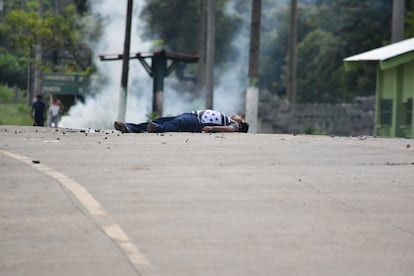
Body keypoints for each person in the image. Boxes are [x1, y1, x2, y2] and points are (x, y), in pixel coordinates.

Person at [114, 109, 249, 133]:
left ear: (241, 123)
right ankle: (129, 127)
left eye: (240, 117)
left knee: (175, 124)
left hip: (197, 121)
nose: (236, 115)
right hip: (192, 115)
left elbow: (230, 130)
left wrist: (211, 128)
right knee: (160, 120)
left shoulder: (234, 125)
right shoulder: (228, 119)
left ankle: (157, 129)